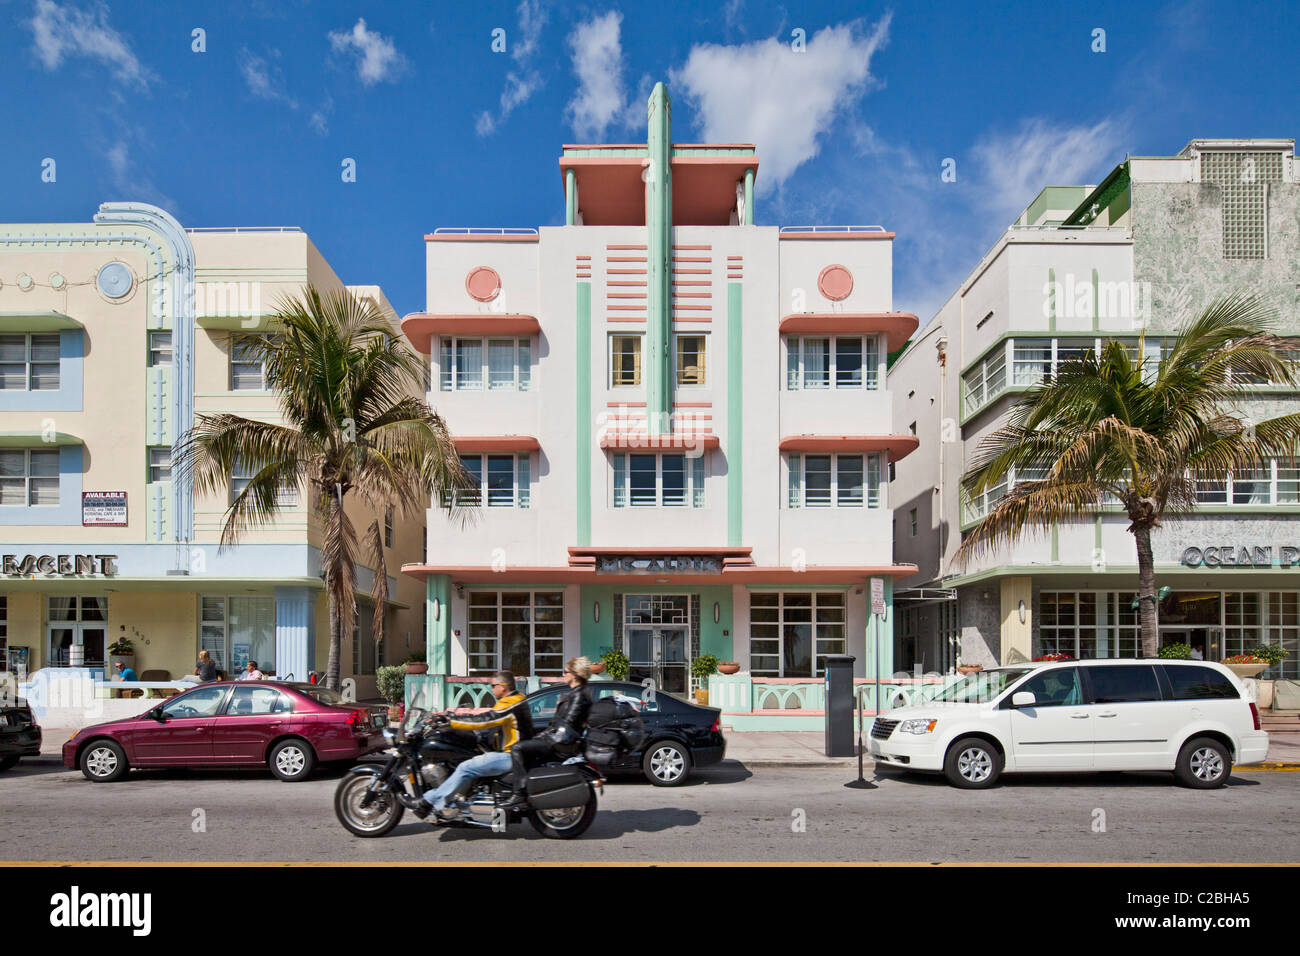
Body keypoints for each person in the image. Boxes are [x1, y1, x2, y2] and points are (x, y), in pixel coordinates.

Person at [417, 671, 535, 820]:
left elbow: (486, 719)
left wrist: (450, 719)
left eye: (493, 686)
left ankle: (430, 801)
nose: (491, 690)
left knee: (465, 767)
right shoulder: (516, 699)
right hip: (515, 753)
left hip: (511, 756)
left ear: (503, 687)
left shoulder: (510, 703)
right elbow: (493, 716)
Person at [503, 657, 593, 807]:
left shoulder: (579, 695)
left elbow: (567, 725)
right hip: (560, 740)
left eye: (565, 672)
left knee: (517, 748)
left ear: (575, 675)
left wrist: (545, 737)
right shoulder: (578, 693)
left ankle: (519, 793)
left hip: (561, 742)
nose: (563, 675)